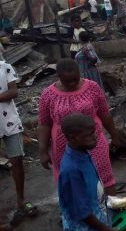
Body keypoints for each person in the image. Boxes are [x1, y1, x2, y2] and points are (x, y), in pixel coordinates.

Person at [58, 113, 123, 231]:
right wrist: (107, 230)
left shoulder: (82, 153)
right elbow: (81, 211)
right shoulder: (70, 170)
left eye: (95, 132)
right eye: (89, 135)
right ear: (72, 138)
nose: (96, 137)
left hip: (96, 224)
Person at [38, 59, 120, 194]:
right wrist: (43, 151)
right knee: (73, 183)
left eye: (75, 79)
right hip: (63, 147)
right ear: (58, 77)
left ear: (79, 73)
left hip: (94, 141)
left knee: (104, 177)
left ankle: (111, 210)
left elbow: (104, 114)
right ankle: (82, 213)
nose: (71, 83)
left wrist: (114, 135)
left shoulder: (92, 88)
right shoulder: (48, 95)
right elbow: (44, 124)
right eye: (67, 81)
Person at [0, 60, 36, 217]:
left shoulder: (5, 67)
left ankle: (21, 200)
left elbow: (13, 92)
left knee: (17, 160)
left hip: (9, 122)